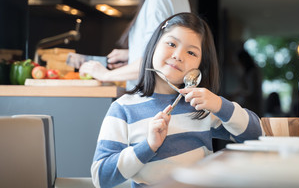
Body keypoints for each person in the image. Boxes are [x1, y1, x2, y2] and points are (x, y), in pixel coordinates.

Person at [91, 13, 263, 187]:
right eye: (171, 44)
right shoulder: (123, 109)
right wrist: (148, 146)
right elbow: (101, 178)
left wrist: (220, 104)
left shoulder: (200, 108)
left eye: (191, 52)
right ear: (154, 45)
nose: (178, 55)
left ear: (200, 66)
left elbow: (256, 136)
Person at [79, 0, 191, 90]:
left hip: (150, 101)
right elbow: (168, 52)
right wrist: (132, 55)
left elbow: (152, 62)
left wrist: (105, 75)